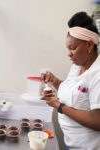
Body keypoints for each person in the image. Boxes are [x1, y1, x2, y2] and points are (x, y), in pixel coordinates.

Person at [41, 12, 100, 150]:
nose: (69, 53)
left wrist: (59, 106)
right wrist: (54, 81)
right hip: (71, 143)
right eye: (68, 48)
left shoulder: (97, 74)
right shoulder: (77, 65)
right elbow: (74, 91)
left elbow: (97, 121)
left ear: (90, 45)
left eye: (73, 48)